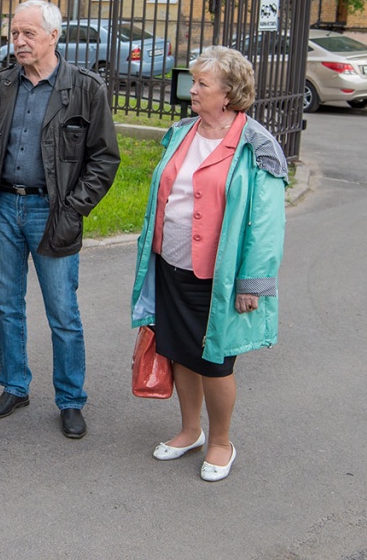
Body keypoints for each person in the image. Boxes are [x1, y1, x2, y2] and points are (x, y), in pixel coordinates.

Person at [0, 0, 120, 439]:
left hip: (52, 213)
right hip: (4, 209)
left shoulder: (85, 88)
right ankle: (15, 386)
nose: (19, 42)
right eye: (15, 33)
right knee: (7, 305)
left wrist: (72, 209)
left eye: (29, 33)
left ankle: (70, 399)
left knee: (63, 312)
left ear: (54, 36)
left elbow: (104, 160)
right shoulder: (1, 84)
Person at [131, 45, 287, 482]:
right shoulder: (182, 131)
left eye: (202, 83)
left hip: (219, 277)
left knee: (215, 361)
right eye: (194, 81)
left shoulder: (257, 145)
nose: (192, 89)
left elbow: (268, 222)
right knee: (179, 351)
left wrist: (252, 282)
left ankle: (221, 441)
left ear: (229, 94)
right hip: (171, 264)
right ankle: (189, 431)